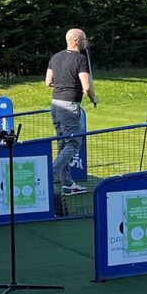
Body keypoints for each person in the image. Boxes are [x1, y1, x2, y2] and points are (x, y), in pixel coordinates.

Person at [46, 28, 98, 195]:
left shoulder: (55, 57)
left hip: (55, 104)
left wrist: (63, 84)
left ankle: (68, 183)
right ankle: (49, 174)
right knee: (73, 143)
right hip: (69, 106)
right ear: (76, 41)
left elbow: (48, 82)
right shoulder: (80, 59)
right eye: (84, 39)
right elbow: (87, 87)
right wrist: (94, 99)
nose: (86, 42)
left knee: (63, 144)